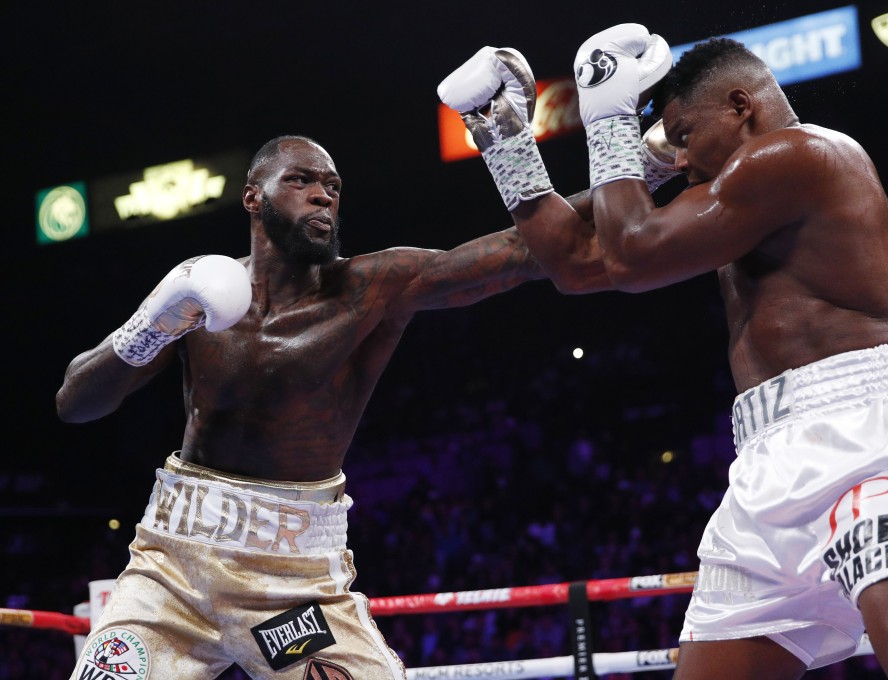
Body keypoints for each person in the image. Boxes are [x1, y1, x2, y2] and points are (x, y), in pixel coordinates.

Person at [437, 24, 888, 680]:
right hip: (767, 461)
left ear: (739, 106)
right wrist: (503, 135)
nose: (680, 159)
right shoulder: (740, 192)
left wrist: (610, 115)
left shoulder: (803, 154)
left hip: (871, 436)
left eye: (684, 134)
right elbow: (578, 264)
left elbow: (631, 254)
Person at [55, 134, 553, 679]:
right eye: (301, 180)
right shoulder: (200, 295)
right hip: (170, 570)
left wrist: (620, 158)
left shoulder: (370, 287)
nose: (322, 195)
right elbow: (74, 403)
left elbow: (522, 252)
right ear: (253, 197)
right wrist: (152, 325)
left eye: (332, 186)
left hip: (292, 589)